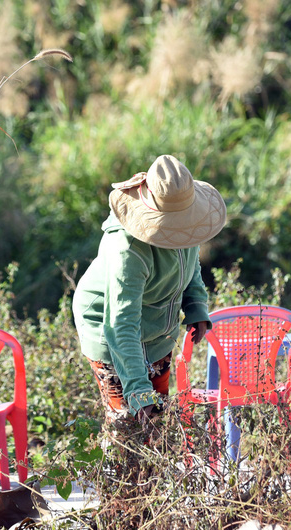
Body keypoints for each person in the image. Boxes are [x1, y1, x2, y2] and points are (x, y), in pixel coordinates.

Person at [72, 154, 227, 439]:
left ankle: (147, 471)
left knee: (157, 421)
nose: (182, 232)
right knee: (128, 425)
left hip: (157, 327)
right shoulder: (127, 251)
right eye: (174, 225)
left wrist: (196, 305)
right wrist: (138, 391)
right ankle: (121, 479)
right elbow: (120, 326)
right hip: (109, 327)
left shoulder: (186, 229)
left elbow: (190, 264)